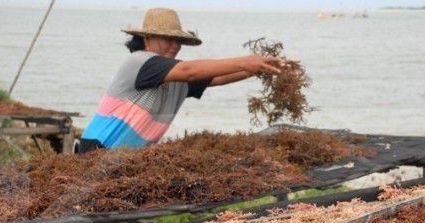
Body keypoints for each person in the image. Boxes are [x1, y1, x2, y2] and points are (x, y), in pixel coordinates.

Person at [78, 8, 290, 153]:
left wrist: (260, 69)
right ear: (147, 39)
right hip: (100, 147)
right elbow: (190, 70)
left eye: (178, 40)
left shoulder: (174, 77)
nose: (175, 45)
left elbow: (216, 77)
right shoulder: (140, 62)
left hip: (129, 155)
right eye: (167, 38)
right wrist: (247, 61)